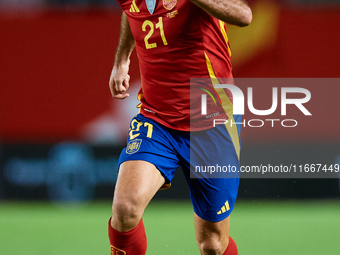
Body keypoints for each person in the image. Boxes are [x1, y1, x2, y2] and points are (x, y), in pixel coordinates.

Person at [108, 0, 252, 254]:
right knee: (125, 208)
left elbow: (244, 15)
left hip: (213, 123)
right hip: (156, 119)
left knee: (213, 244)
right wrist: (122, 59)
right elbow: (130, 11)